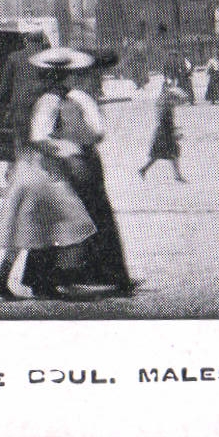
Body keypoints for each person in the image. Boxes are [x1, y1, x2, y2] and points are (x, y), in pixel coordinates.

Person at [0, 50, 97, 301]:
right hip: (43, 170)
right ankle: (41, 282)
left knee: (32, 227)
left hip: (30, 167)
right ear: (60, 75)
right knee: (62, 221)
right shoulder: (50, 99)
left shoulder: (35, 94)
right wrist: (66, 150)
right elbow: (40, 136)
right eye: (69, 74)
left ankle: (3, 280)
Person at [54, 50, 136, 295]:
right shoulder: (84, 99)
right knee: (99, 214)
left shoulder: (67, 97)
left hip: (70, 159)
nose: (97, 80)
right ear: (85, 75)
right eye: (95, 75)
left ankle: (90, 273)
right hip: (85, 158)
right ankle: (109, 274)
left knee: (85, 213)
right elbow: (97, 133)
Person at [138, 72, 188, 182]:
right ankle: (177, 176)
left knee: (160, 154)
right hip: (166, 133)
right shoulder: (167, 105)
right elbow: (167, 121)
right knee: (171, 153)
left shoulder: (162, 102)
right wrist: (175, 132)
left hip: (162, 132)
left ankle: (144, 169)